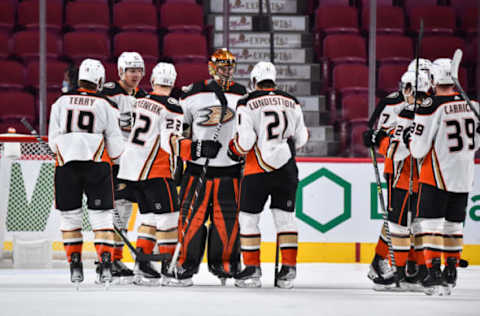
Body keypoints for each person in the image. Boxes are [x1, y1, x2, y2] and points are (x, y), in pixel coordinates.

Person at [167, 48, 247, 287]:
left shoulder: (243, 95)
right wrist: (196, 148)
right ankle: (185, 265)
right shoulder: (192, 94)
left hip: (230, 170)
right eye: (222, 66)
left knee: (228, 220)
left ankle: (225, 265)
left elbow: (248, 133)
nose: (227, 70)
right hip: (197, 170)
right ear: (212, 67)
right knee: (191, 219)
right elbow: (172, 135)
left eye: (230, 66)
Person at [227, 61, 309, 288]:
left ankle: (252, 270)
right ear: (274, 80)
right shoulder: (292, 101)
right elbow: (301, 139)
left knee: (248, 219)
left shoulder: (246, 102)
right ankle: (289, 270)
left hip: (257, 171)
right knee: (285, 219)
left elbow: (245, 142)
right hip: (287, 170)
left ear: (253, 82)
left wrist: (233, 150)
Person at [48, 58, 124, 286]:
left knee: (70, 217)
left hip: (66, 166)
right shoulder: (106, 104)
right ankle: (106, 266)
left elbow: (53, 141)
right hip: (97, 165)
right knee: (101, 218)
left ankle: (75, 267)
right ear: (99, 80)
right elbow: (116, 145)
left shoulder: (60, 102)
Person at [407, 58, 480, 295]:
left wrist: (410, 136)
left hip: (437, 173)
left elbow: (418, 149)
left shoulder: (431, 105)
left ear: (434, 78)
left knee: (430, 224)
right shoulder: (474, 105)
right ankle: (451, 273)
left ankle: (434, 273)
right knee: (454, 225)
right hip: (464, 175)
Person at [117, 62, 183, 286]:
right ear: (173, 83)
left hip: (131, 168)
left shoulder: (140, 101)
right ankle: (168, 269)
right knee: (168, 218)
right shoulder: (172, 106)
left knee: (148, 218)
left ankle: (142, 266)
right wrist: (179, 163)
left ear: (153, 80)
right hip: (156, 169)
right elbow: (170, 141)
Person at [382, 70, 431, 291]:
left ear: (410, 88)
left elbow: (395, 151)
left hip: (405, 178)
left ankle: (399, 273)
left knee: (399, 227)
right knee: (423, 227)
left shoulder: (406, 112)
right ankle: (426, 273)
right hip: (431, 179)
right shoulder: (434, 109)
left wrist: (382, 141)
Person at [102, 52, 147, 283]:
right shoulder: (109, 93)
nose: (136, 75)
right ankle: (109, 258)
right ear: (121, 71)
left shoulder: (144, 96)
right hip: (113, 162)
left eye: (139, 70)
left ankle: (116, 258)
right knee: (114, 212)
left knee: (125, 211)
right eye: (131, 70)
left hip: (132, 163)